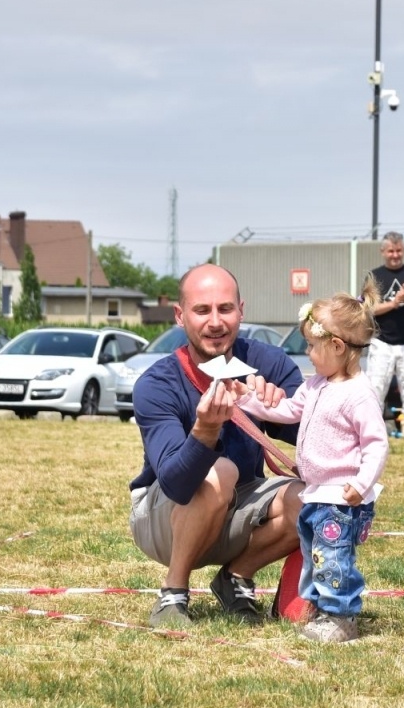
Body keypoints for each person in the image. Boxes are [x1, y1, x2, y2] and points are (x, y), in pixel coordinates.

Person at [129, 265, 304, 628]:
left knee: (312, 500)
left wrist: (282, 409)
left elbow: (316, 436)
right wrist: (205, 432)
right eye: (201, 310)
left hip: (240, 504)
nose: (215, 322)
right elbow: (176, 483)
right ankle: (173, 594)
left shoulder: (269, 363)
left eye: (225, 309)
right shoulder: (156, 383)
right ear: (180, 316)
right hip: (163, 519)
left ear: (241, 310)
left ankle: (236, 577)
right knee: (220, 472)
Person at [238, 295, 388, 643]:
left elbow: (376, 444)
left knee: (334, 559)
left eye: (311, 345)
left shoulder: (359, 394)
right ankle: (322, 611)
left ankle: (341, 617)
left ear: (337, 346)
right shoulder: (316, 384)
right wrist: (245, 399)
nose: (307, 353)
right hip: (316, 494)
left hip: (340, 499)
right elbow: (288, 411)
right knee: (317, 556)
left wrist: (362, 484)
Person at [362, 231, 404, 457]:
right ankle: (373, 445)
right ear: (383, 251)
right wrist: (393, 304)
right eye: (391, 251)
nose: (395, 255)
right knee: (375, 393)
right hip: (381, 343)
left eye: (399, 250)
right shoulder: (374, 276)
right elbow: (367, 308)